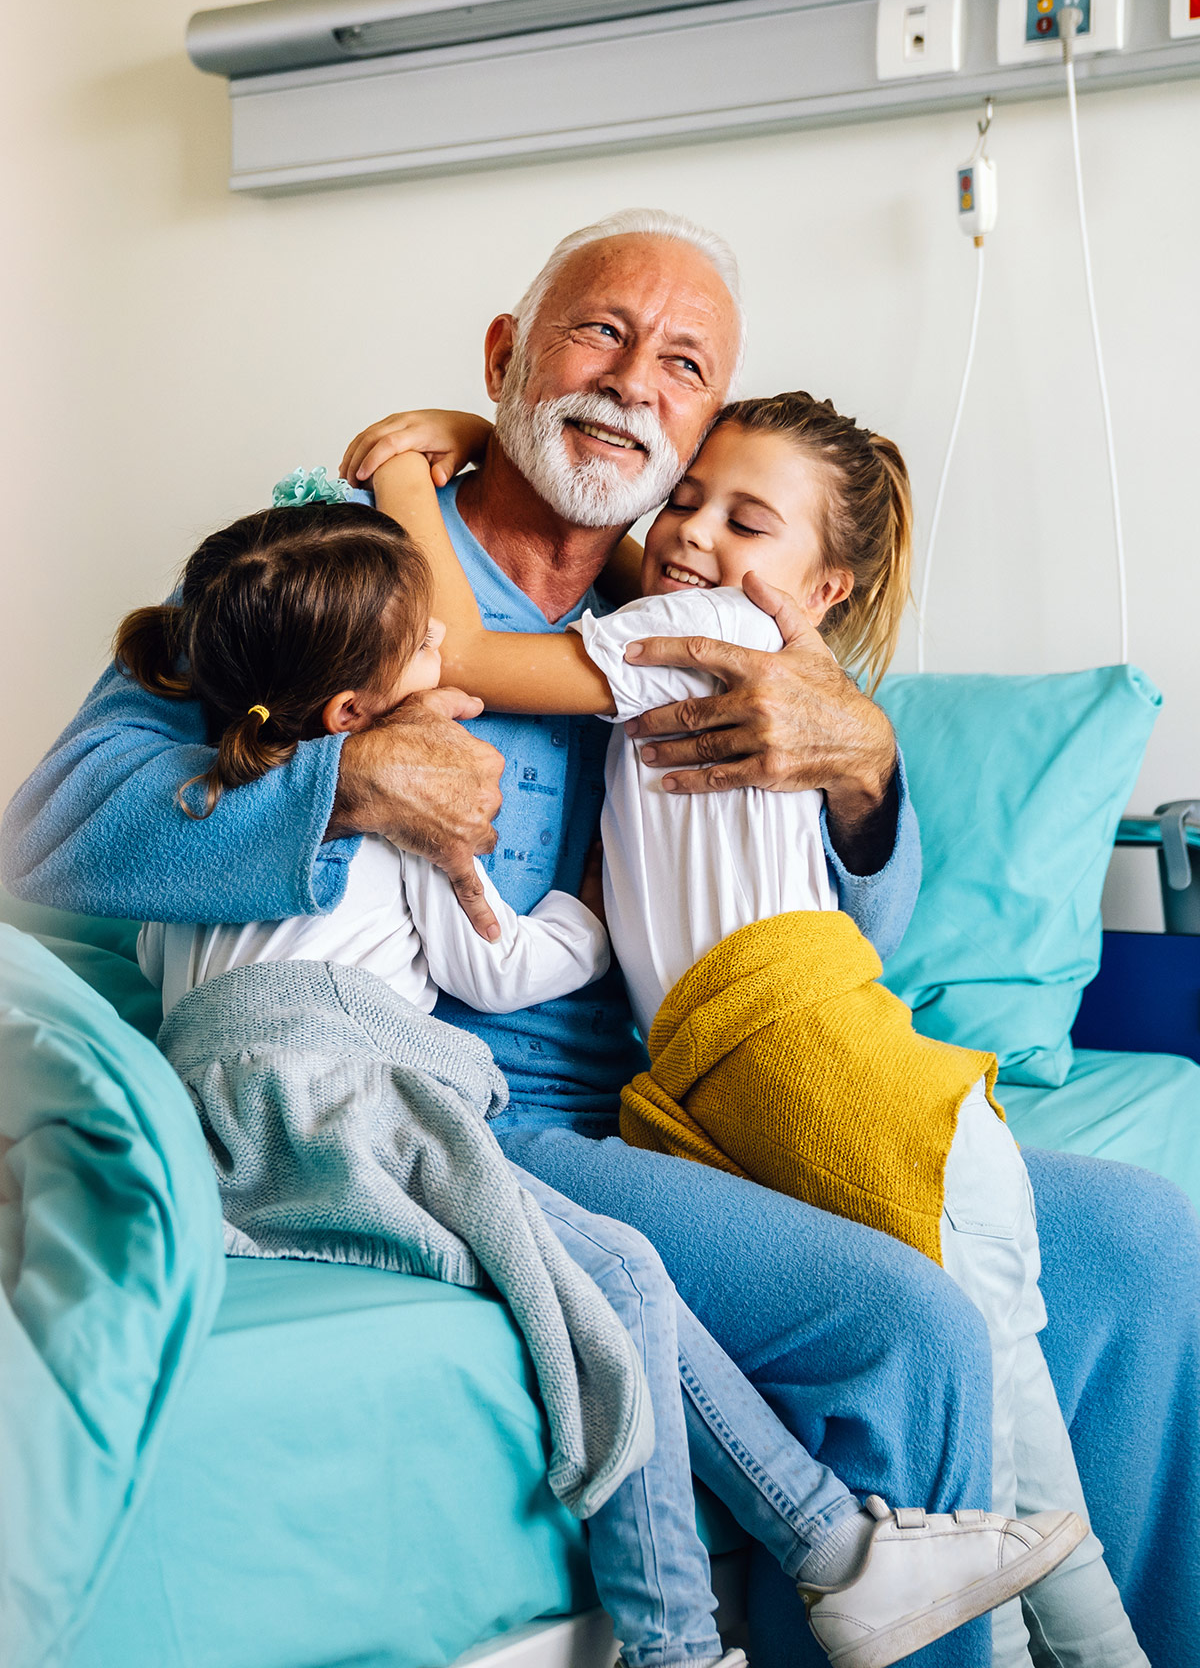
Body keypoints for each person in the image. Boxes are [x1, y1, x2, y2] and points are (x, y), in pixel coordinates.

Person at [3, 209, 1199, 1667]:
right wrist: (349, 780)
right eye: (601, 332)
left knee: (1139, 1244)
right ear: (508, 358)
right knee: (903, 1328)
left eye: (684, 365)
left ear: (701, 432)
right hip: (481, 1110)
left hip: (691, 1099)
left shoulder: (686, 613)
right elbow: (51, 832)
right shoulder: (332, 580)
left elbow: (850, 935)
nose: (636, 381)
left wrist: (866, 769)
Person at [123, 494, 1074, 1668]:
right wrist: (587, 905)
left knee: (633, 1271)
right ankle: (706, 1628)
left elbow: (165, 969)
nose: (447, 649)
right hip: (369, 1091)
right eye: (427, 639)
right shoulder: (406, 786)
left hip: (214, 1122)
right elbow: (496, 963)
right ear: (354, 711)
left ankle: (835, 1562)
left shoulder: (220, 814)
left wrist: (866, 758)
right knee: (625, 1274)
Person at [359, 389, 1144, 1667]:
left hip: (804, 1046)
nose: (687, 531)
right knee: (1018, 1467)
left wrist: (403, 466)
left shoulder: (699, 626)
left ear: (823, 587)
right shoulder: (706, 616)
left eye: (744, 517)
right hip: (781, 1050)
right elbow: (642, 566)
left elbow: (458, 639)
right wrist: (496, 442)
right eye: (684, 500)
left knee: (1032, 1473)